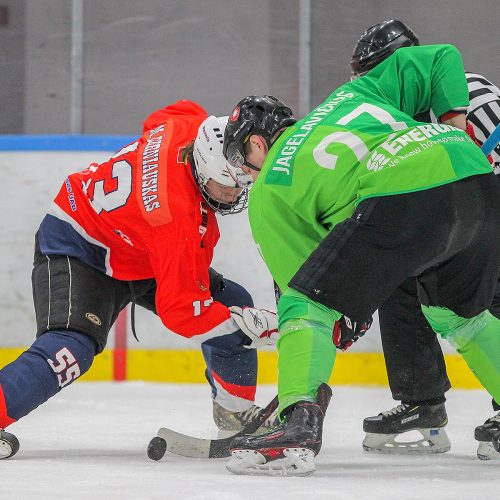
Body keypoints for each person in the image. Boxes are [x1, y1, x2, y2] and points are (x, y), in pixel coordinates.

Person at [222, 43, 500, 475]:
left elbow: (307, 286)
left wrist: (334, 325)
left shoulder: (270, 184)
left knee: (304, 304)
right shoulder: (350, 96)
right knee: (460, 315)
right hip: (473, 173)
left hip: (401, 193)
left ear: (258, 143)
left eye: (243, 160)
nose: (246, 173)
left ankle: (296, 425)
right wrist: (454, 121)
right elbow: (441, 55)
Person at [0, 100, 280, 459]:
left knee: (231, 299)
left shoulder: (190, 129)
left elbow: (170, 112)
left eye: (240, 184)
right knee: (69, 349)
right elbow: (183, 313)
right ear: (202, 166)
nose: (233, 195)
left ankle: (234, 411)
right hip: (81, 244)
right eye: (224, 185)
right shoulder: (177, 218)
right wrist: (255, 328)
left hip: (138, 247)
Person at [349, 19, 500, 459]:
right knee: (398, 274)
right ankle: (422, 401)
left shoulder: (471, 92)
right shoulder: (392, 118)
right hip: (463, 221)